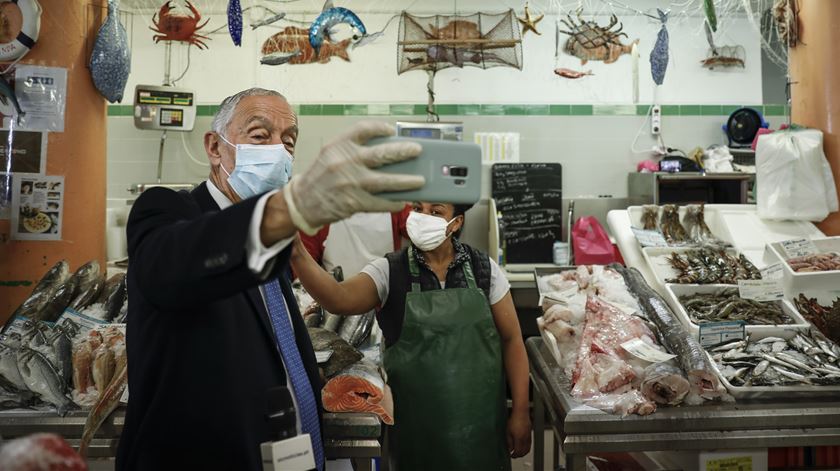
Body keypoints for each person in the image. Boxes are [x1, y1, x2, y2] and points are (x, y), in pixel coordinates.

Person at [116, 88, 425, 471]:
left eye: (289, 142)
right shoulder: (168, 210)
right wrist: (285, 209)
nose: (278, 151)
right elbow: (171, 267)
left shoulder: (272, 242)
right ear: (215, 147)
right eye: (260, 136)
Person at [292, 201, 532, 470]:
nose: (422, 217)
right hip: (415, 437)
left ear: (457, 223)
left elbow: (512, 340)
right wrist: (297, 253)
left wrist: (521, 411)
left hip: (482, 431)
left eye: (436, 211)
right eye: (418, 209)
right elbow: (339, 298)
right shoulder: (389, 270)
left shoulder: (484, 270)